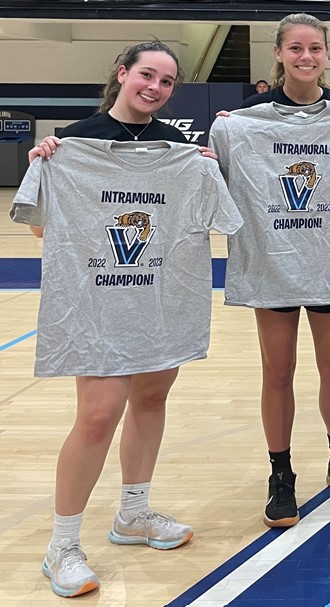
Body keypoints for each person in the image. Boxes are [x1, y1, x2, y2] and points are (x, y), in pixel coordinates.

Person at [19, 41, 236, 598]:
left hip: (160, 302)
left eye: (166, 81)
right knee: (97, 416)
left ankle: (133, 514)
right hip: (96, 304)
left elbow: (218, 219)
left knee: (151, 399)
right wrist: (48, 166)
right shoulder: (72, 142)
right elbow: (41, 227)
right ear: (122, 74)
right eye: (147, 75)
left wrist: (204, 168)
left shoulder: (179, 150)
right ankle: (62, 544)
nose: (155, 88)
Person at [220, 13, 330, 529]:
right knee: (278, 371)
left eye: (315, 48)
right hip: (273, 261)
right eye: (296, 48)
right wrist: (220, 137)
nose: (306, 57)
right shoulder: (243, 119)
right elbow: (209, 177)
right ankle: (281, 473)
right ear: (279, 53)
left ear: (326, 54)